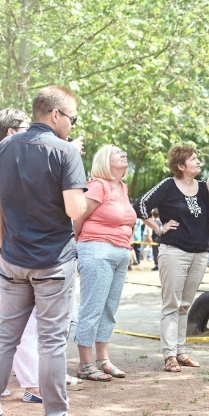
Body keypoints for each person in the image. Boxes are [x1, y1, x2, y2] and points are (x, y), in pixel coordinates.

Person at [0, 86, 90, 416]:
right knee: (51, 343)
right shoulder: (65, 152)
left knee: (3, 340)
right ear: (55, 115)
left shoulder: (2, 149)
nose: (73, 125)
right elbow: (75, 209)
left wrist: (0, 251)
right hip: (53, 263)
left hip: (12, 259)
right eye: (72, 118)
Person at [133, 144, 209, 373]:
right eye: (193, 159)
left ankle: (181, 352)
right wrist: (159, 228)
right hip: (174, 251)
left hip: (200, 252)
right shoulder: (168, 185)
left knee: (185, 305)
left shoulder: (203, 187)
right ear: (181, 166)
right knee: (171, 305)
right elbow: (140, 205)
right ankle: (169, 355)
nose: (198, 161)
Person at [0, 108, 42, 403]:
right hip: (5, 246)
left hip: (6, 246)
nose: (32, 130)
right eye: (24, 126)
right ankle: (32, 386)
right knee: (18, 321)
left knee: (3, 321)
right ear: (10, 132)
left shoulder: (9, 160)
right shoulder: (4, 162)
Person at [72, 145, 135, 382]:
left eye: (123, 151)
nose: (123, 153)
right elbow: (77, 216)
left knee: (109, 309)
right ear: (104, 161)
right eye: (117, 151)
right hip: (97, 250)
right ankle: (85, 364)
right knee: (92, 308)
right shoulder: (98, 185)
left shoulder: (122, 187)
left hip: (120, 253)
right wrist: (82, 243)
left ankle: (103, 359)